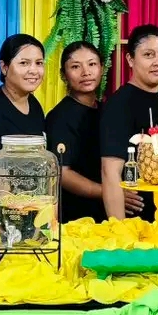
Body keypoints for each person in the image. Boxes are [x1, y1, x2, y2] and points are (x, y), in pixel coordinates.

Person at [100, 25, 158, 222]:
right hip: (140, 223)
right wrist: (120, 231)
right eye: (148, 55)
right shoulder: (120, 105)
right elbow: (110, 173)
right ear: (130, 59)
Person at [46, 41, 106, 222]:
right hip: (77, 216)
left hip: (106, 210)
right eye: (75, 66)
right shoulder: (59, 117)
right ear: (63, 75)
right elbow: (63, 173)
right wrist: (108, 192)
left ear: (102, 68)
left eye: (92, 64)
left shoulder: (106, 110)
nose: (86, 72)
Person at [0, 33, 46, 156]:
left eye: (39, 63)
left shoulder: (34, 104)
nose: (34, 70)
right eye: (24, 63)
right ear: (4, 67)